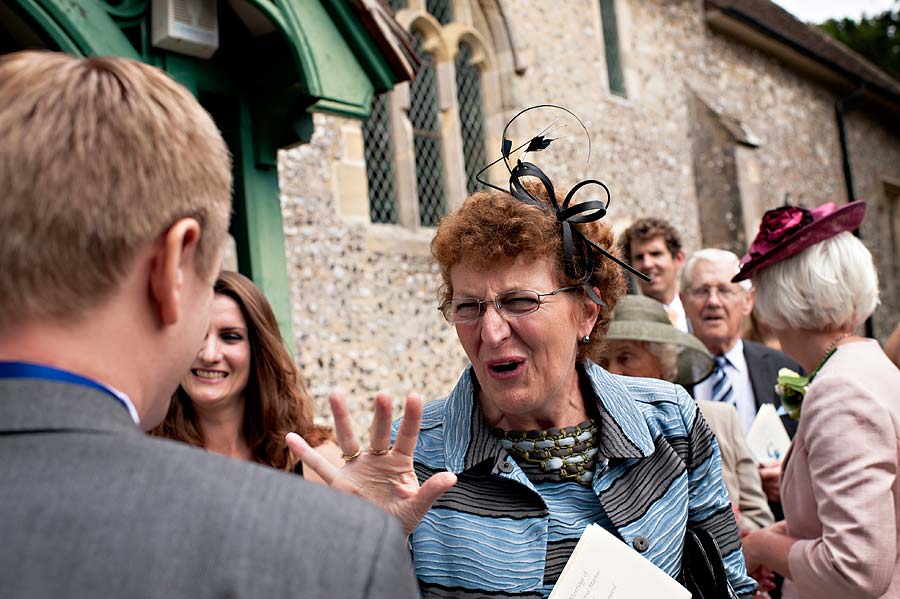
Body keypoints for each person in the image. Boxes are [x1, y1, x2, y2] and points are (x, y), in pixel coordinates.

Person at [0, 51, 418, 598]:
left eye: (231, 336)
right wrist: (349, 549)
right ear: (173, 267)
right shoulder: (331, 548)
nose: (209, 352)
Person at [290, 118, 757, 597]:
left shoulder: (669, 421)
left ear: (586, 314)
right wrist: (362, 546)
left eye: (519, 302)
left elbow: (731, 586)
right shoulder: (409, 465)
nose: (490, 332)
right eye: (469, 307)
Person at [737, 201, 900, 599]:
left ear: (779, 299)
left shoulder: (840, 391)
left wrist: (759, 548)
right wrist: (786, 531)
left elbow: (856, 570)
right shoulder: (868, 363)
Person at [599, 295, 774, 533]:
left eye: (625, 358)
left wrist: (732, 526)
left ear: (662, 364)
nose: (612, 372)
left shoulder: (717, 419)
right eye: (602, 361)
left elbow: (761, 520)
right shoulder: (591, 431)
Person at [152, 270, 341, 481]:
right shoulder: (144, 456)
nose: (209, 354)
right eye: (196, 334)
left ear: (258, 351)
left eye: (230, 337)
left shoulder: (314, 461)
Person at [620, 217, 689, 331]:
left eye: (655, 254)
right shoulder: (624, 322)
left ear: (678, 258)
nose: (647, 264)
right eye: (639, 257)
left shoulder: (697, 313)